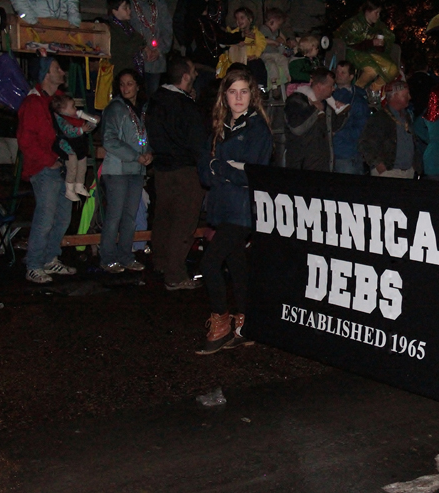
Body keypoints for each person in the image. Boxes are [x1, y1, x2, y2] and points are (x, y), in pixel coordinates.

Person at [196, 69, 273, 354]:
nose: (238, 97)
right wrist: (228, 168)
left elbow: (253, 174)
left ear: (252, 95)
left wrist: (222, 167)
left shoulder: (257, 129)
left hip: (243, 209)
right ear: (224, 95)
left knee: (209, 264)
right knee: (237, 263)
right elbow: (204, 168)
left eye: (244, 91)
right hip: (222, 205)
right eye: (232, 91)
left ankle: (222, 323)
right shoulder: (219, 125)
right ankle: (246, 323)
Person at [18, 58, 84, 284]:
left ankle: (49, 258)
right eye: (57, 68)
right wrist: (50, 159)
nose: (62, 71)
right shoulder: (33, 104)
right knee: (45, 218)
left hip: (60, 166)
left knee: (62, 217)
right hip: (45, 168)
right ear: (46, 74)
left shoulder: (55, 101)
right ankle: (34, 264)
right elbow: (26, 142)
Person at [146, 56, 207, 290]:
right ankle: (175, 274)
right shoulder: (185, 106)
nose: (195, 75)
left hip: (162, 168)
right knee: (183, 223)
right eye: (192, 71)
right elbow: (197, 142)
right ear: (184, 77)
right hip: (185, 170)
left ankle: (160, 263)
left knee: (164, 217)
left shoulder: (155, 101)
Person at [99, 69, 152, 273]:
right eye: (122, 84)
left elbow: (145, 137)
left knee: (130, 215)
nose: (126, 88)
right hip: (118, 169)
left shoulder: (143, 109)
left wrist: (148, 154)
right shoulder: (115, 109)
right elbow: (109, 139)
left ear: (137, 85)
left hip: (137, 169)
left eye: (129, 84)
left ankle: (126, 256)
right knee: (115, 215)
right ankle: (107, 257)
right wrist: (136, 155)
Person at [284, 67, 341, 171]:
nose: (333, 89)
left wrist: (342, 112)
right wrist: (315, 110)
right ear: (320, 86)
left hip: (321, 166)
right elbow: (297, 128)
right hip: (302, 167)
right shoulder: (296, 101)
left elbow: (333, 128)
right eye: (331, 86)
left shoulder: (326, 104)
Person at [358, 81, 418, 179]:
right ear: (395, 96)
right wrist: (378, 164)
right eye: (406, 95)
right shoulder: (380, 118)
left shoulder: (406, 116)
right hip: (390, 172)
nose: (409, 97)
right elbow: (365, 143)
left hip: (407, 171)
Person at [334, 0, 397, 91]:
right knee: (371, 70)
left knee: (392, 70)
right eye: (376, 12)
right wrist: (371, 43)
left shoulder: (379, 26)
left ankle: (372, 90)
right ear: (368, 11)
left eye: (379, 12)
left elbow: (388, 38)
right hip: (354, 53)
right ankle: (355, 90)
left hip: (370, 53)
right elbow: (350, 43)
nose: (378, 15)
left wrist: (381, 45)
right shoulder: (355, 24)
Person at [50, 93, 92, 201]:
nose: (76, 108)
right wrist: (81, 130)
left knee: (82, 161)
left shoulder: (74, 118)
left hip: (77, 145)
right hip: (67, 146)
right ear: (63, 109)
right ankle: (69, 188)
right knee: (72, 163)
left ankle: (79, 184)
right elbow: (68, 132)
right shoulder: (62, 120)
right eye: (72, 106)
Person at [332, 60, 369, 175]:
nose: (339, 75)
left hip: (347, 153)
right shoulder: (329, 94)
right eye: (337, 72)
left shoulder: (357, 99)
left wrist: (338, 134)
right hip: (334, 153)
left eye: (343, 73)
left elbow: (362, 127)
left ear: (351, 76)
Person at [129, 0, 173, 95]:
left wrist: (159, 50)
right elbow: (127, 30)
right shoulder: (130, 4)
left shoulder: (160, 4)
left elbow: (167, 30)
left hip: (155, 63)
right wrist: (142, 47)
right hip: (134, 61)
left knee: (152, 97)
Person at [223, 7, 268, 87]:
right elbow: (227, 42)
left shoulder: (255, 33)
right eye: (237, 19)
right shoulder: (235, 33)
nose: (239, 21)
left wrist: (256, 55)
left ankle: (260, 87)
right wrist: (236, 43)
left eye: (242, 18)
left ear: (250, 20)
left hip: (251, 58)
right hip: (238, 59)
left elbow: (261, 44)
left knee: (258, 65)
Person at [108, 0, 147, 75]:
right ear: (115, 11)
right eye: (125, 8)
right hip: (121, 71)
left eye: (129, 7)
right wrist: (138, 41)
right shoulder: (112, 29)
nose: (129, 10)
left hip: (130, 70)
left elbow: (140, 39)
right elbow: (127, 49)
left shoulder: (128, 27)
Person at [259, 7, 292, 92]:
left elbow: (283, 39)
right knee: (271, 64)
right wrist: (274, 42)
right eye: (278, 25)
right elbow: (263, 40)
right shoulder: (263, 29)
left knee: (284, 60)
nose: (278, 27)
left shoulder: (276, 31)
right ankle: (273, 82)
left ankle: (288, 76)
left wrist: (284, 41)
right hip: (266, 54)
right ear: (272, 22)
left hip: (276, 53)